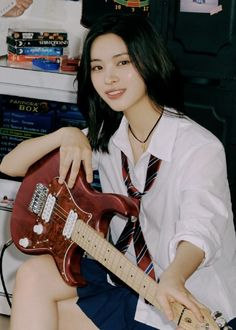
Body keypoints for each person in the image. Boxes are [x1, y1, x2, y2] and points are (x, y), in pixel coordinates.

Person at [0, 13, 236, 330]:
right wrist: (65, 135)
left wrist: (174, 278)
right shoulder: (107, 136)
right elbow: (9, 165)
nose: (108, 78)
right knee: (32, 276)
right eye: (97, 67)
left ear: (148, 61)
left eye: (122, 63)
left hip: (186, 300)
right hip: (124, 278)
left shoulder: (199, 148)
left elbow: (200, 229)